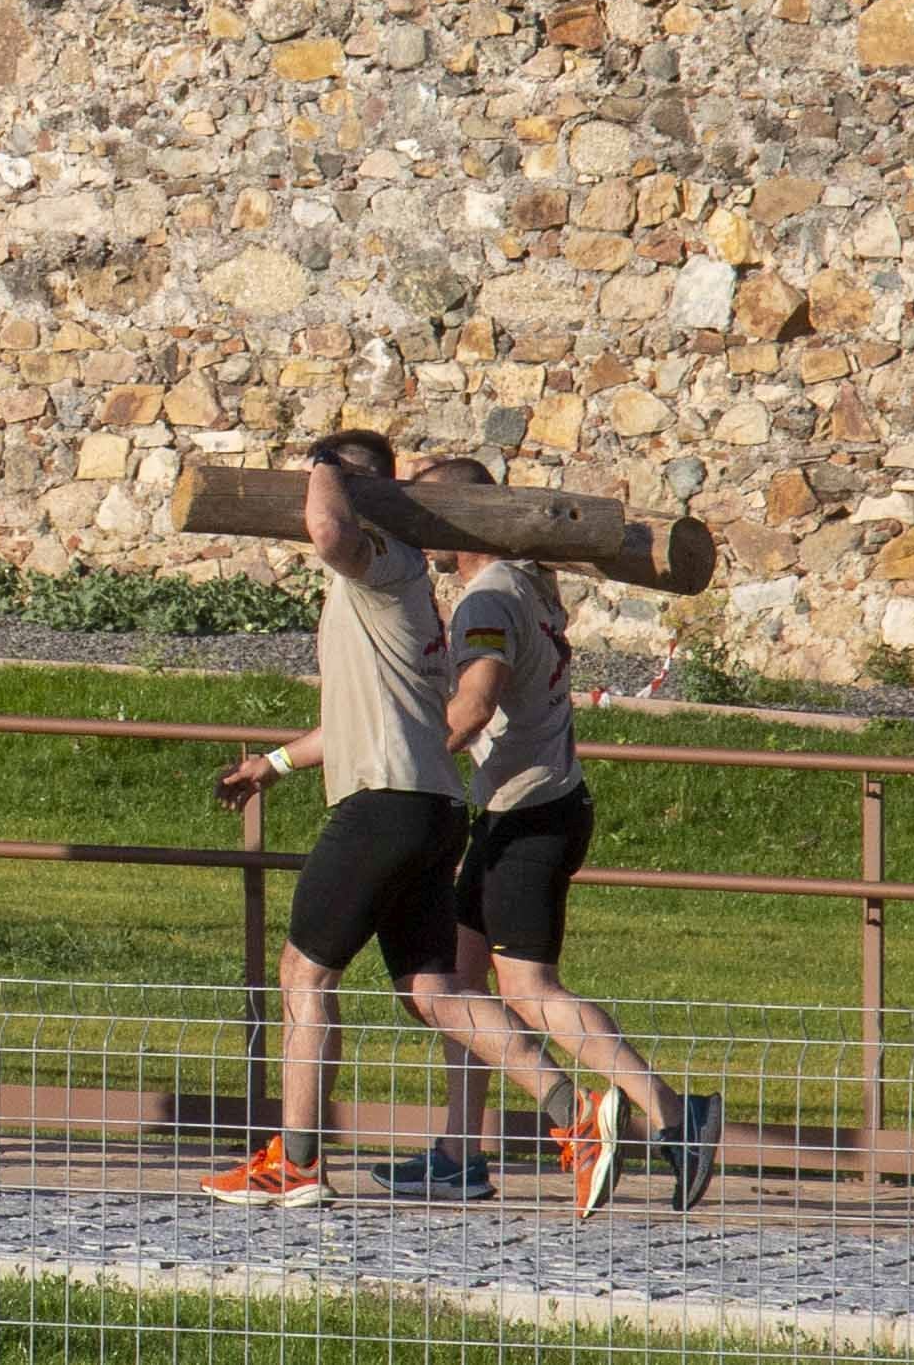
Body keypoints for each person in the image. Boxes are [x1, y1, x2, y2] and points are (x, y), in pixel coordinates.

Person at [203, 431, 613, 1213]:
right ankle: (578, 1120)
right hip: (425, 807)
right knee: (433, 989)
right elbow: (371, 718)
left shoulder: (379, 564)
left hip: (380, 809)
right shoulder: (404, 589)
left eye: (318, 481)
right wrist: (274, 765)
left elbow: (327, 528)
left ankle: (293, 1163)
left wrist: (329, 470)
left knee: (304, 977)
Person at [371, 455, 723, 1212]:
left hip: (528, 815)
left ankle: (670, 1110)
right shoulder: (525, 581)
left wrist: (398, 766)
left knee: (527, 990)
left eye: (421, 515)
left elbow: (473, 704)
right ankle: (457, 1154)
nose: (412, 529)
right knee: (460, 991)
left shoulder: (488, 600)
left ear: (452, 522)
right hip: (523, 808)